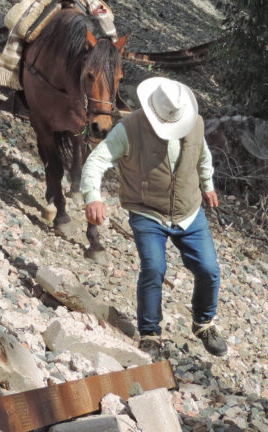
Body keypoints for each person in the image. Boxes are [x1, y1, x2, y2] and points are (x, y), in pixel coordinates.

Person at [81, 77, 227, 357]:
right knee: (154, 268)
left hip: (189, 211)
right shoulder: (128, 129)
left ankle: (204, 323)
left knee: (209, 269)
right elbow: (97, 161)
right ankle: (149, 333)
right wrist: (94, 197)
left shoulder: (195, 123)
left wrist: (207, 186)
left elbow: (203, 157)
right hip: (147, 211)